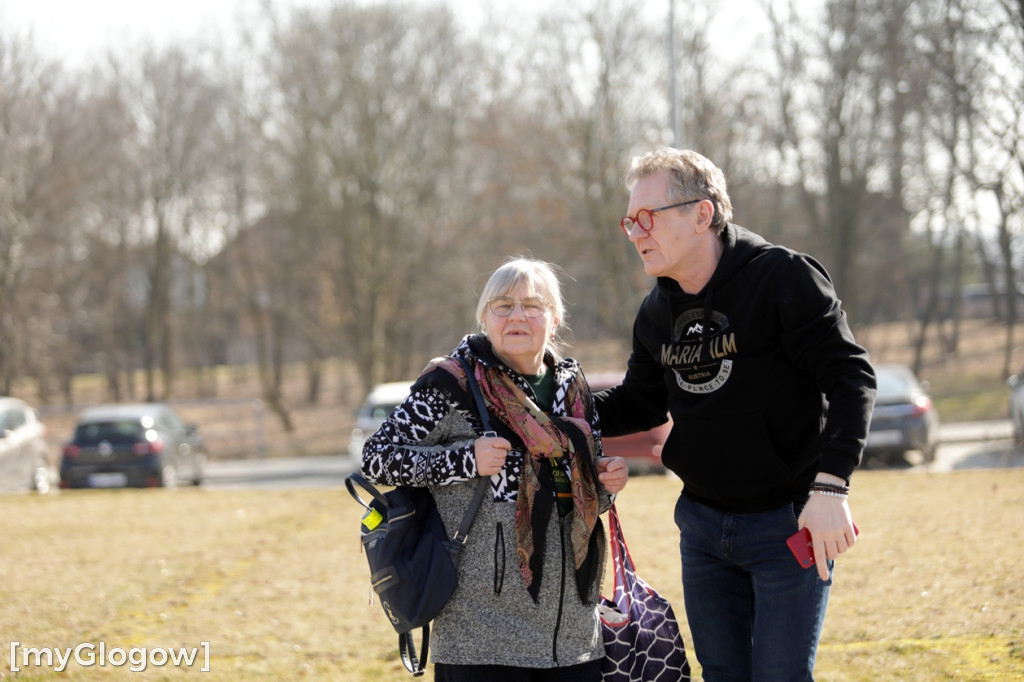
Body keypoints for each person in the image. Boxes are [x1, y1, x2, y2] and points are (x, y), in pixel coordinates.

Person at [594, 148, 877, 681]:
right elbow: (640, 401)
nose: (634, 232)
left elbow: (851, 379)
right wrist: (553, 404)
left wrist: (831, 487)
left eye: (647, 217)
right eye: (630, 221)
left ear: (702, 214)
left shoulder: (784, 278)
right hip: (701, 527)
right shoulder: (656, 310)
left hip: (788, 522)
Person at [361, 257, 629, 682]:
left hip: (575, 638)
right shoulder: (451, 385)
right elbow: (378, 456)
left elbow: (583, 490)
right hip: (482, 640)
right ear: (485, 318)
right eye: (503, 305)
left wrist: (607, 481)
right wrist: (466, 458)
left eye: (532, 305)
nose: (517, 315)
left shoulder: (573, 386)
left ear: (554, 319)